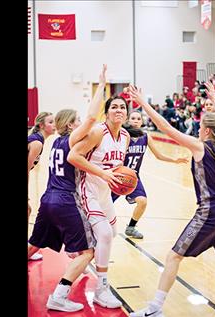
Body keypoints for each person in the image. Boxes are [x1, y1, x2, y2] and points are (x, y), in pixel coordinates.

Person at [128, 82, 215, 317]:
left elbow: (167, 128)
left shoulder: (201, 147)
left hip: (210, 210)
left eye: (201, 126)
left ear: (207, 131)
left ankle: (155, 308)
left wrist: (144, 104)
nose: (198, 129)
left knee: (174, 256)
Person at [28, 65, 121, 312]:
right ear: (70, 126)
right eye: (77, 121)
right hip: (66, 200)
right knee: (87, 253)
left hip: (47, 199)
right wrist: (101, 86)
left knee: (35, 243)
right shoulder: (70, 140)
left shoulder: (55, 143)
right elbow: (92, 118)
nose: (83, 124)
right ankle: (58, 296)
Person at [67, 95, 130, 309]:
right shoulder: (97, 132)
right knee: (103, 234)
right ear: (107, 111)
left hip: (105, 193)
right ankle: (101, 290)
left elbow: (116, 167)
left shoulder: (125, 136)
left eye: (122, 107)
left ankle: (76, 251)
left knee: (112, 233)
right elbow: (73, 156)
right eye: (114, 107)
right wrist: (102, 174)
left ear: (127, 113)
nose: (119, 110)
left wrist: (119, 178)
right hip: (88, 189)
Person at [111, 111, 189, 239]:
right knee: (105, 204)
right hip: (118, 175)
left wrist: (174, 160)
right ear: (128, 121)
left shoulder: (146, 137)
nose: (135, 121)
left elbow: (158, 155)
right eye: (133, 118)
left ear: (142, 122)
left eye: (138, 119)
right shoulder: (123, 135)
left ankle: (130, 228)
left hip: (133, 178)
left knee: (142, 201)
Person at [28, 112, 56, 260]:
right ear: (41, 125)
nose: (55, 125)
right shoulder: (37, 143)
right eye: (51, 122)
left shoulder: (40, 141)